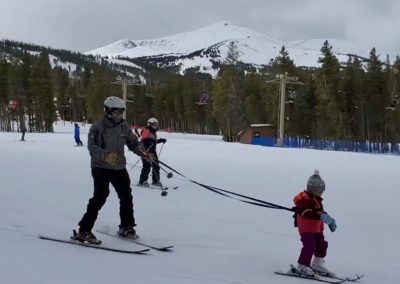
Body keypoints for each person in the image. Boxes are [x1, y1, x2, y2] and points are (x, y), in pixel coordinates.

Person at [74, 96, 148, 243]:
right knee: (101, 195)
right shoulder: (97, 127)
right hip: (100, 167)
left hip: (118, 167)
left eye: (121, 112)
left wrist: (144, 153)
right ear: (108, 111)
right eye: (116, 112)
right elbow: (92, 147)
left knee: (126, 195)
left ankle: (126, 227)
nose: (119, 115)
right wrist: (105, 156)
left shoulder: (123, 126)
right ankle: (84, 230)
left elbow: (133, 142)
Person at [292, 170, 337, 277]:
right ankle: (302, 266)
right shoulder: (305, 200)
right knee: (309, 246)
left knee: (322, 244)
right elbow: (307, 213)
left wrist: (329, 220)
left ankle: (317, 264)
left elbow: (319, 212)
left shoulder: (316, 199)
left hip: (317, 229)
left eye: (322, 191)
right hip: (307, 229)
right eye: (319, 191)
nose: (321, 193)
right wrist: (321, 216)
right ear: (312, 190)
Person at [138, 117, 167, 187]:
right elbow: (143, 140)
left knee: (156, 166)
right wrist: (149, 142)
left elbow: (154, 141)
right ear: (149, 124)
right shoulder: (146, 131)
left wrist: (160, 140)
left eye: (156, 124)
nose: (156, 126)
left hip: (152, 152)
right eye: (154, 124)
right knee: (147, 166)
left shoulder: (153, 132)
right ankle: (142, 181)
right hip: (146, 152)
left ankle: (155, 181)